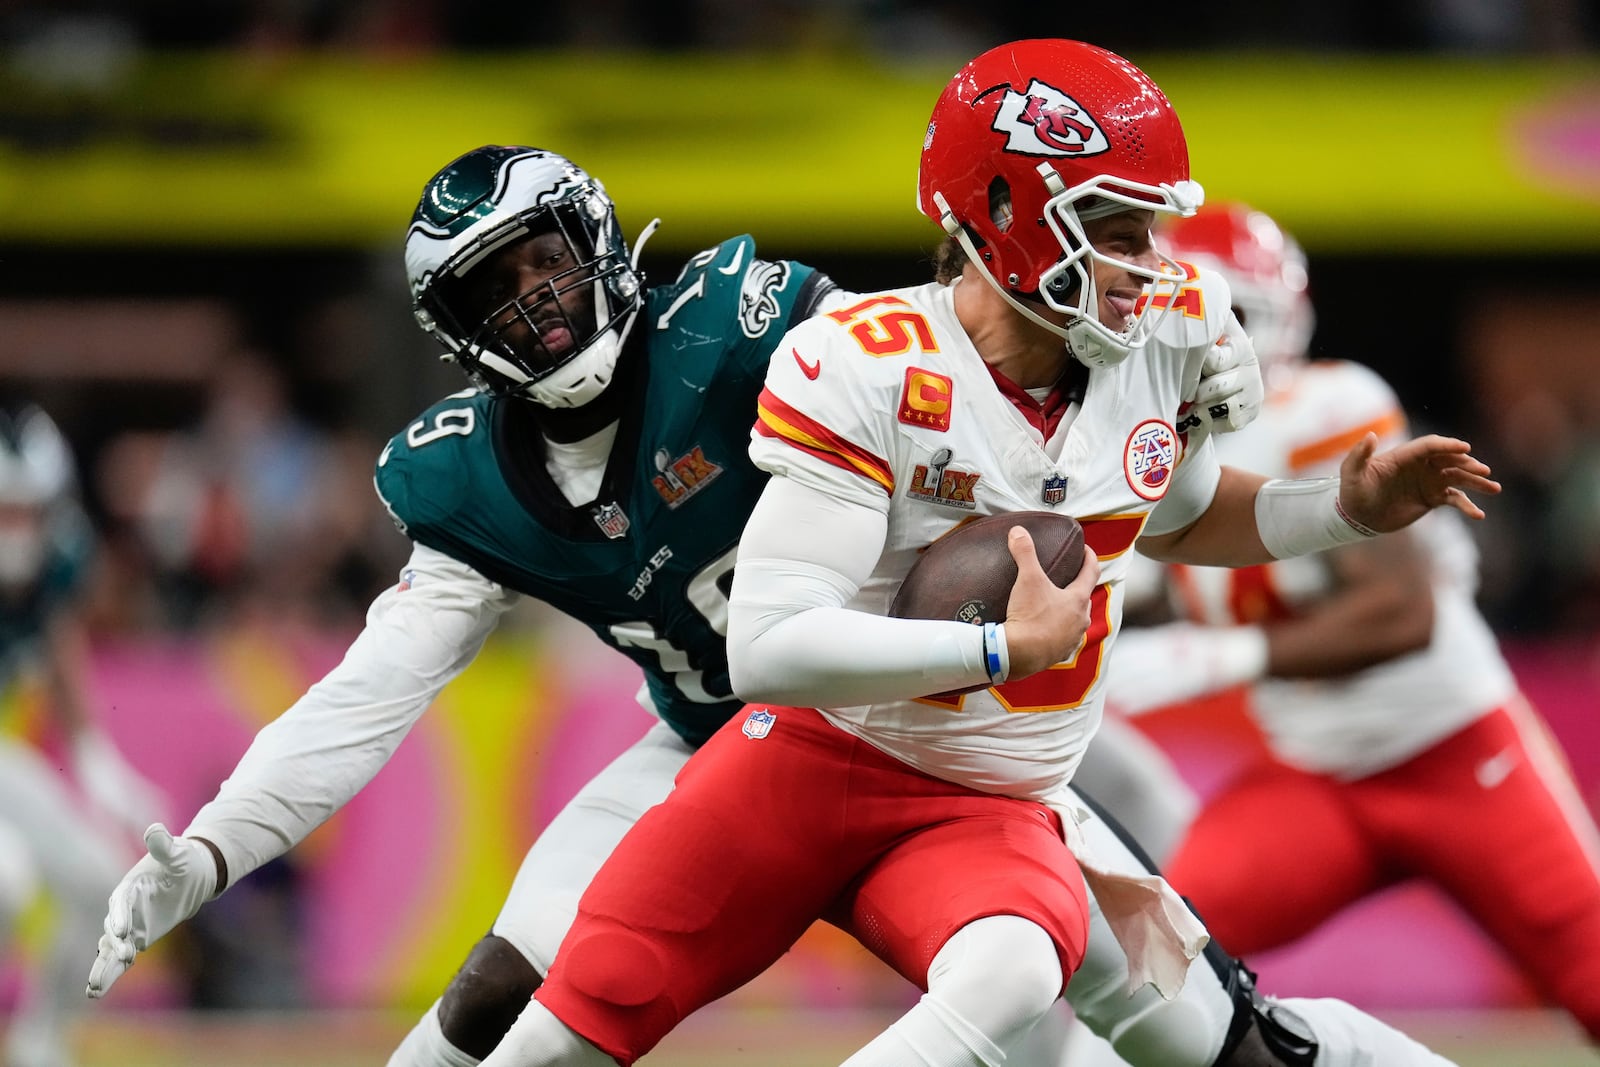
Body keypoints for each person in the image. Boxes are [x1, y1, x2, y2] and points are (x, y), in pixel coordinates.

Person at [84, 141, 1459, 1067]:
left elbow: (961, 353)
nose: (539, 302)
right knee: (502, 993)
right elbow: (365, 696)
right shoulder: (466, 480)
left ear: (599, 242)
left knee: (1209, 1030)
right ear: (454, 331)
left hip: (930, 735)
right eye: (495, 290)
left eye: (544, 258)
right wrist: (206, 854)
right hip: (715, 743)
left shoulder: (754, 327)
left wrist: (1150, 345)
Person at [473, 39, 1497, 1067]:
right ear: (1001, 215)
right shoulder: (870, 361)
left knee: (1078, 991)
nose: (1152, 263)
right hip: (809, 764)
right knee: (571, 1028)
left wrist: (1342, 507)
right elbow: (770, 648)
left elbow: (1176, 515)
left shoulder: (1165, 340)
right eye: (1115, 230)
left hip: (990, 801)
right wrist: (999, 649)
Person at [1100, 201, 1600, 1044]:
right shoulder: (1142, 443)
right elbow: (1123, 581)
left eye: (1209, 314)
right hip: (1318, 779)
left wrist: (1216, 656)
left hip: (1452, 749)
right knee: (1155, 948)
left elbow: (1404, 614)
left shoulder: (1325, 403)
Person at [0, 405, 168, 1067]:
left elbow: (57, 634)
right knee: (6, 886)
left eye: (29, 511)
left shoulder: (59, 551)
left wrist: (97, 757)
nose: (19, 529)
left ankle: (41, 1042)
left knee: (101, 883)